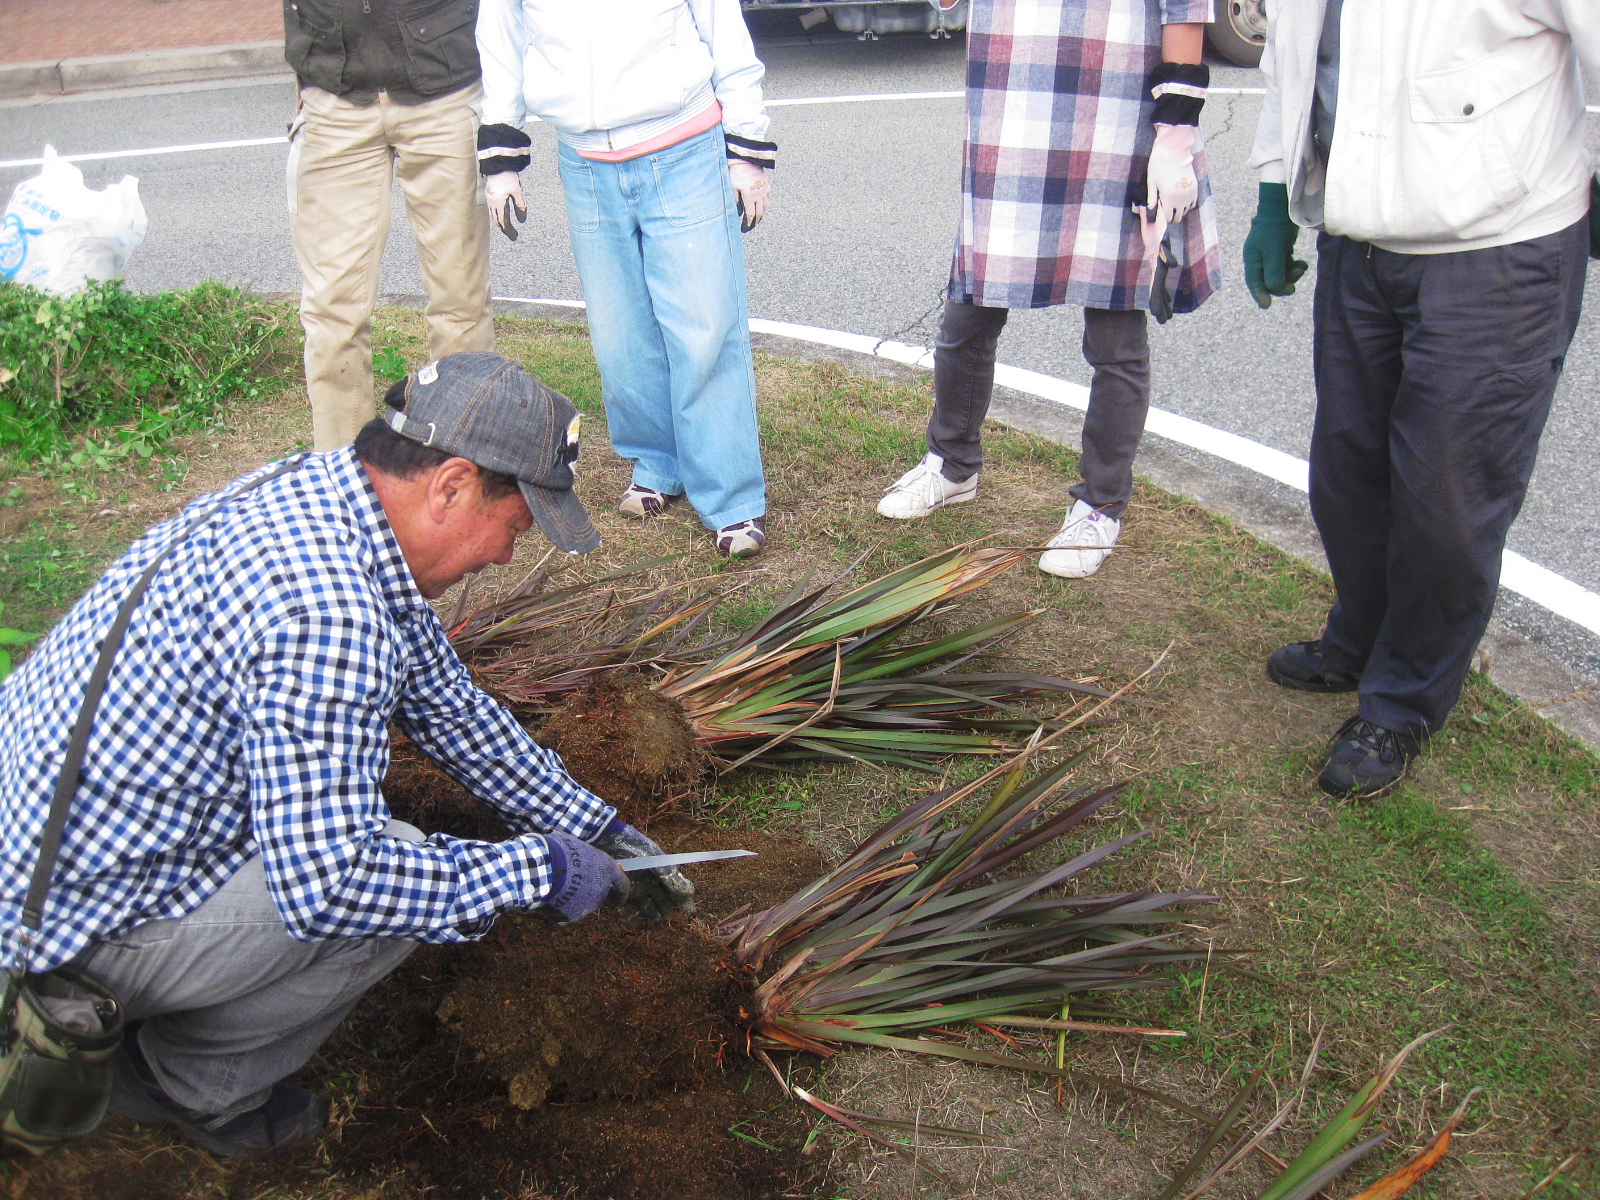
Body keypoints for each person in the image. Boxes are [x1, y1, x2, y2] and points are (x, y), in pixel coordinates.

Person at [0, 353, 695, 1158]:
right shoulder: (327, 614)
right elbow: (331, 887)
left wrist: (597, 825)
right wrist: (535, 870)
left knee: (378, 854)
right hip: (53, 931)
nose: (506, 557)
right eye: (517, 526)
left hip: (55, 843)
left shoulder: (322, 495)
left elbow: (449, 706)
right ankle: (187, 1087)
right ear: (453, 486)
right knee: (395, 872)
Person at [1246, 0, 1599, 798]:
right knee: (1348, 474)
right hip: (1359, 239)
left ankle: (1402, 701)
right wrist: (1276, 196)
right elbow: (1294, 65)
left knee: (1447, 495)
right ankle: (1363, 635)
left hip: (1499, 246)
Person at [876, 0, 1221, 580]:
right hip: (1012, 120)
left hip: (1122, 126)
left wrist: (1175, 139)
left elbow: (1185, 17)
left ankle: (1100, 504)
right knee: (969, 313)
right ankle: (953, 462)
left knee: (1116, 334)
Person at [474, 0, 776, 559]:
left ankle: (731, 495)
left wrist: (748, 150)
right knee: (620, 336)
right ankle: (658, 460)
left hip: (684, 144)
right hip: (584, 161)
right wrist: (501, 156)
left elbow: (723, 29)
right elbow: (502, 41)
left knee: (705, 327)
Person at [284, 0, 495, 450]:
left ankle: (460, 466)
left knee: (460, 301)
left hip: (444, 83)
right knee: (331, 311)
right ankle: (342, 476)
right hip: (332, 90)